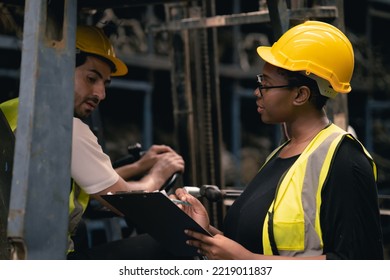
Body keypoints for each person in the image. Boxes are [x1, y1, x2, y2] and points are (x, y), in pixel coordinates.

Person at [173, 20, 384, 259]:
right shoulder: (281, 155)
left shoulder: (345, 160)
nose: (257, 91)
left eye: (266, 83)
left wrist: (247, 262)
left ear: (300, 94)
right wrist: (207, 233)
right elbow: (255, 245)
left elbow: (359, 264)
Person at [0, 25, 185, 259]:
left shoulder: (13, 111)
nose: (101, 94)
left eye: (105, 84)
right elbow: (125, 203)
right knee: (173, 246)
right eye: (91, 78)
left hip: (13, 256)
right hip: (46, 260)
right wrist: (158, 175)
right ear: (57, 68)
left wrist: (138, 167)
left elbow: (79, 177)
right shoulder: (65, 128)